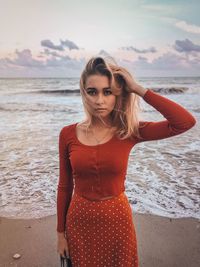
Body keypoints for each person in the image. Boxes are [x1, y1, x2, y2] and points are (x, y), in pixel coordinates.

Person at [56, 56, 196, 267]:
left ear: (118, 95)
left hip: (117, 221)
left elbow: (184, 122)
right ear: (84, 93)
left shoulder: (129, 131)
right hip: (79, 222)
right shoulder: (67, 134)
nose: (99, 100)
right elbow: (65, 186)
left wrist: (138, 89)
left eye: (108, 92)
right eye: (92, 91)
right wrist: (60, 233)